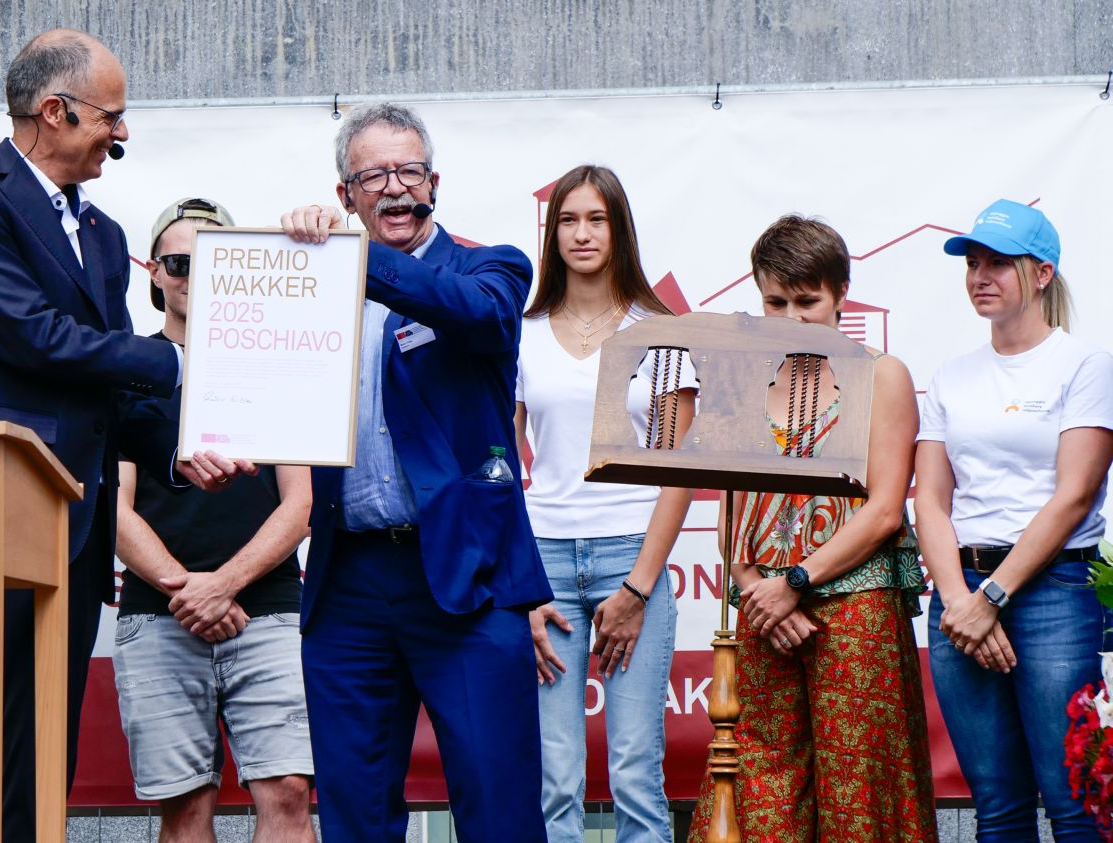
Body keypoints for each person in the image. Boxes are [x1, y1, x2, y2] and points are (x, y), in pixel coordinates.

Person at [0, 30, 247, 842]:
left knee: (37, 767)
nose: (121, 133)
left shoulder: (100, 233)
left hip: (67, 533)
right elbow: (34, 337)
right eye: (111, 115)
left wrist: (177, 449)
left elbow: (106, 385)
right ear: (55, 111)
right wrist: (181, 363)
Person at [280, 102, 552, 842]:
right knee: (354, 813)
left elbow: (476, 315)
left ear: (435, 183)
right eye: (374, 176)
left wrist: (356, 257)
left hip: (467, 576)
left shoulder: (491, 267)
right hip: (348, 581)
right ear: (345, 195)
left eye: (410, 171)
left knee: (498, 810)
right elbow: (267, 391)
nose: (396, 187)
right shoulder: (308, 282)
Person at [689, 215, 936, 842]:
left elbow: (885, 509)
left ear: (840, 294)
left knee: (861, 790)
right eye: (776, 302)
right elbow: (729, 510)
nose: (793, 318)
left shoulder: (882, 374)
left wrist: (794, 582)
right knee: (758, 790)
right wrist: (757, 589)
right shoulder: (744, 379)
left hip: (856, 605)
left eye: (808, 302)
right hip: (766, 609)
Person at [111, 197, 316, 843]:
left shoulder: (277, 362)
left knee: (289, 793)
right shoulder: (125, 370)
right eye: (179, 262)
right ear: (153, 272)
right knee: (185, 807)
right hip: (158, 613)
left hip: (269, 609)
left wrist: (222, 586)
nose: (193, 275)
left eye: (214, 262)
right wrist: (190, 592)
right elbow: (111, 506)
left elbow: (301, 504)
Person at [915, 199, 1113, 842]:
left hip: (1053, 594)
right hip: (961, 597)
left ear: (1043, 273)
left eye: (998, 264)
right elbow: (930, 501)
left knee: (1076, 804)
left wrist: (992, 599)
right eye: (972, 263)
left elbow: (1074, 495)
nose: (980, 277)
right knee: (997, 809)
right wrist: (959, 602)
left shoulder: (1085, 365)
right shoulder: (951, 376)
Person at [514, 164, 695, 842]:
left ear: (619, 229)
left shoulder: (661, 329)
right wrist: (522, 587)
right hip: (545, 567)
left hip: (632, 557)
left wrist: (639, 588)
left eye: (596, 219)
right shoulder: (522, 332)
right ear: (552, 233)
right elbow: (499, 469)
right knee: (554, 776)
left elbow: (679, 471)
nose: (582, 233)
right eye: (568, 220)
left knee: (635, 771)